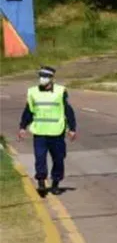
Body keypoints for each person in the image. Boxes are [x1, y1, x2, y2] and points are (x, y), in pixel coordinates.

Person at [17, 66, 77, 196]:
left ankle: (55, 183)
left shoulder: (60, 91)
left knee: (58, 159)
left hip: (57, 132)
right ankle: (41, 183)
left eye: (45, 76)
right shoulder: (33, 92)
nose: (42, 79)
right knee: (40, 158)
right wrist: (22, 127)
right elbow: (29, 111)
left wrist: (72, 128)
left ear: (51, 78)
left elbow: (68, 110)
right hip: (40, 132)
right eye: (41, 76)